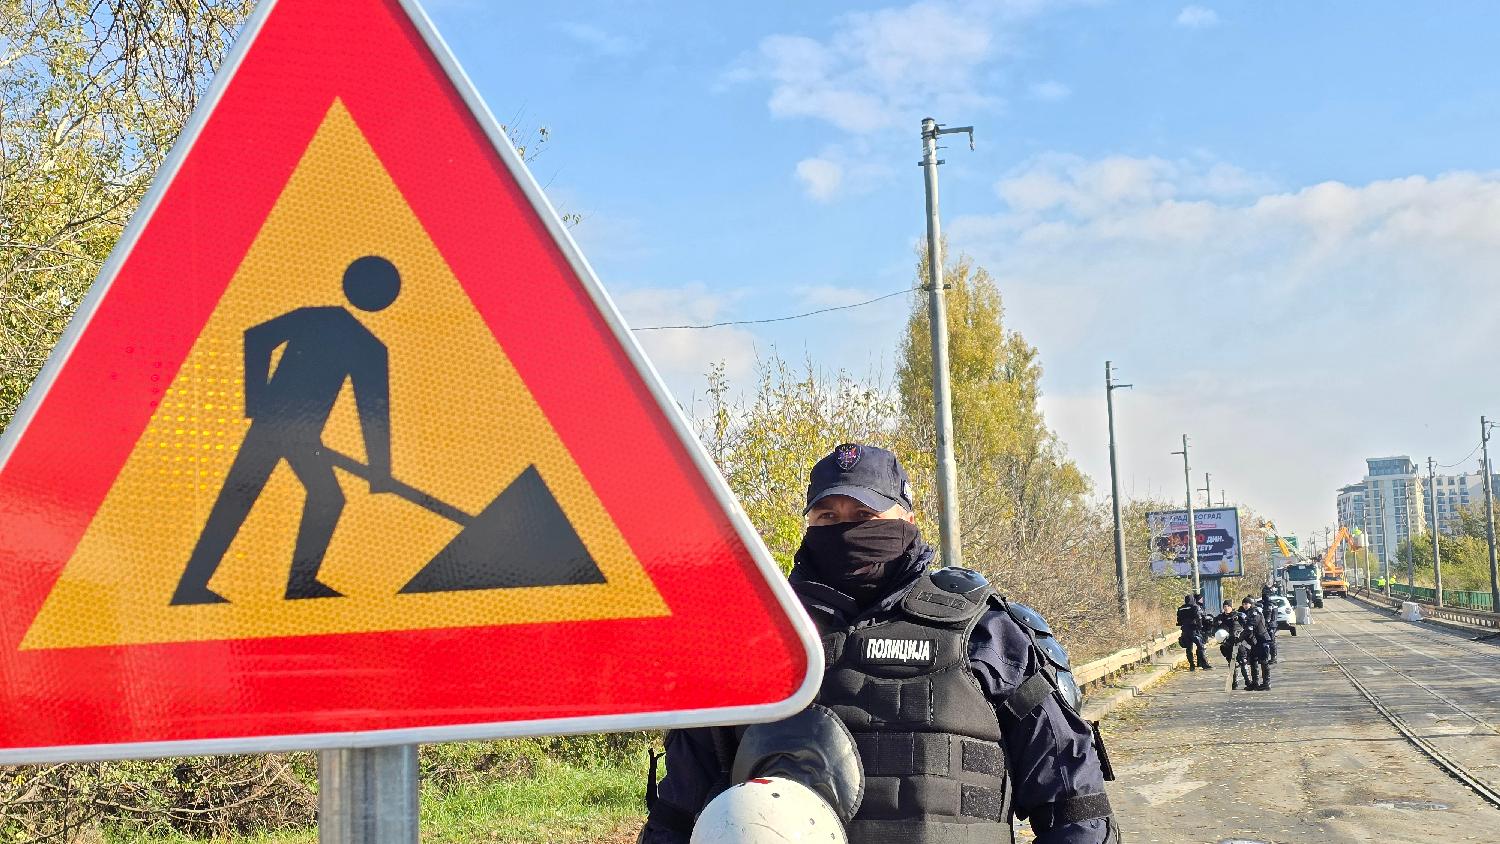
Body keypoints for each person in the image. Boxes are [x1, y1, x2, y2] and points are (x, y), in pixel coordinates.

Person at [639, 443, 1120, 844]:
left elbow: (1073, 802)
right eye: (828, 515)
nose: (846, 528)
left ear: (907, 518)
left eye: (865, 513)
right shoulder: (757, 641)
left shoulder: (985, 631)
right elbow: (678, 810)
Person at [172, 256, 400, 605]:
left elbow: (372, 411)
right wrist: (379, 472)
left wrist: (380, 470)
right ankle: (296, 583)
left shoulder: (326, 324)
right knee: (287, 497)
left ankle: (289, 584)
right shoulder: (364, 343)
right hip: (282, 429)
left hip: (294, 433)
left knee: (254, 497)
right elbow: (373, 413)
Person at [1238, 596, 1271, 691]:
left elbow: (1250, 627)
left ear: (1251, 604)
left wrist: (1240, 637)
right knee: (1253, 660)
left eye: (1246, 604)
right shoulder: (1246, 613)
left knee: (1263, 661)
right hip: (1254, 641)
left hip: (1262, 639)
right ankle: (1255, 682)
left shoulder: (1255, 612)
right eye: (1243, 604)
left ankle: (1266, 683)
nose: (1245, 606)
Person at [1176, 594, 1211, 670]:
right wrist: (1200, 627)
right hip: (1194, 630)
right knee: (1201, 646)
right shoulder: (1195, 607)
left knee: (1188, 648)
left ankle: (1192, 665)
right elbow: (1198, 618)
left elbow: (1178, 622)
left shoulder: (1180, 609)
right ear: (1193, 600)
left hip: (1185, 631)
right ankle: (1204, 664)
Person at [1259, 586, 1280, 665]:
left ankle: (1273, 657)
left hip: (1270, 625)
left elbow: (1268, 615)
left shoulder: (1268, 603)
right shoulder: (1271, 602)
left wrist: (1266, 623)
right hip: (1272, 624)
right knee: (1269, 641)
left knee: (1270, 641)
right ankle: (1269, 656)